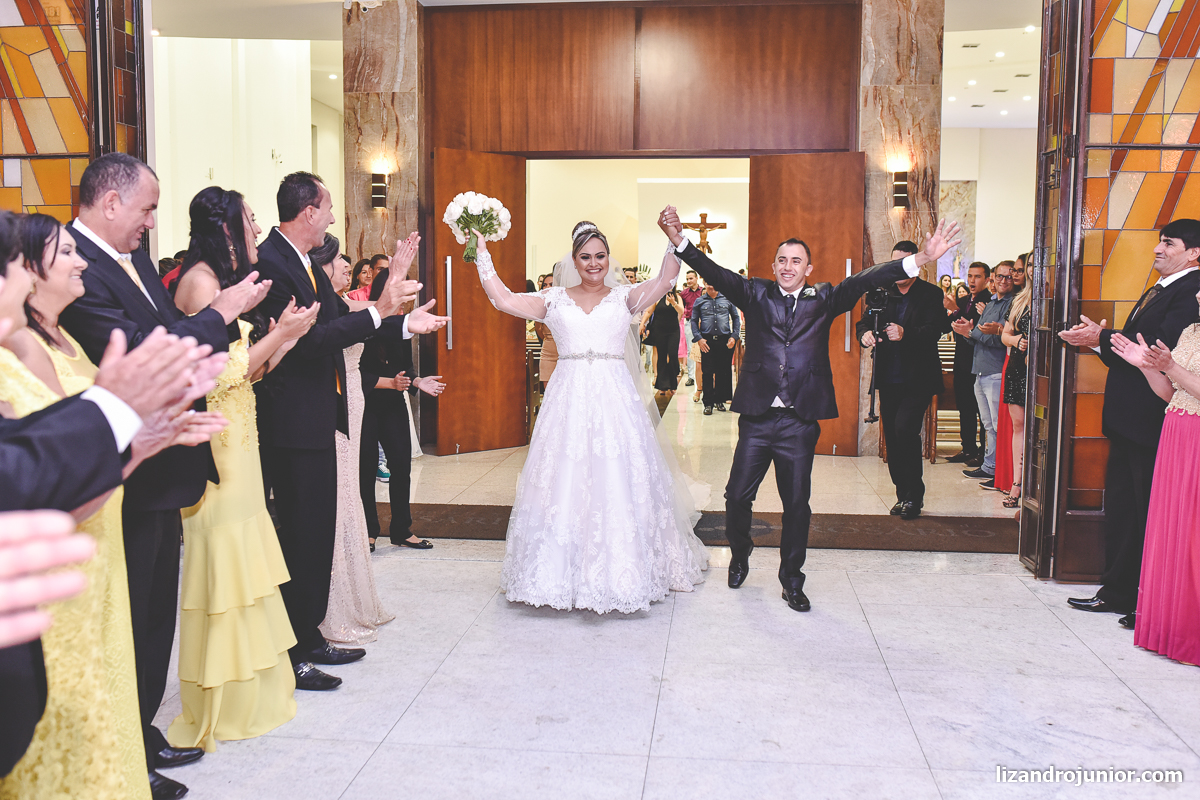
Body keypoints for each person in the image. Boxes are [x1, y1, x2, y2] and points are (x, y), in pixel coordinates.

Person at [57, 154, 270, 798]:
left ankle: (142, 731)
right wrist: (222, 312)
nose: (153, 222)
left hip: (165, 459)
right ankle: (125, 755)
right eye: (147, 208)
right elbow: (145, 350)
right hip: (127, 468)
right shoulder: (78, 269)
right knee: (129, 617)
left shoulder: (136, 259)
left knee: (153, 616)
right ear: (111, 202)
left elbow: (171, 330)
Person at [0, 215, 228, 800]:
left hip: (89, 534)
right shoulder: (15, 353)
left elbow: (66, 469)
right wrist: (115, 408)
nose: (79, 261)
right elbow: (29, 476)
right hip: (40, 570)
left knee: (110, 682)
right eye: (59, 254)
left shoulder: (58, 340)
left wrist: (140, 442)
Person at [661, 206, 960, 611]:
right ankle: (740, 554)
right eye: (782, 260)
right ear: (773, 266)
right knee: (736, 497)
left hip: (799, 421)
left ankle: (791, 579)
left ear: (808, 268)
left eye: (796, 261)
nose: (788, 267)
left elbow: (866, 278)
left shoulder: (824, 298)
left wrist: (921, 258)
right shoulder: (755, 293)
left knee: (797, 504)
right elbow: (714, 271)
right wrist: (679, 241)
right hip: (757, 418)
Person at [252, 171, 448, 690]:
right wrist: (382, 310)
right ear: (308, 212)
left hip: (320, 418)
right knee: (301, 537)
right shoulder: (272, 263)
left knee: (317, 535)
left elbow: (344, 317)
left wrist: (400, 321)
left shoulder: (302, 261)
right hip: (292, 423)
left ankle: (311, 634)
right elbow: (311, 342)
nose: (335, 217)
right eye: (329, 208)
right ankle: (293, 651)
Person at [472, 221, 707, 613]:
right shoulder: (553, 299)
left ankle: (626, 569)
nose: (594, 263)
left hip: (615, 400)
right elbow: (503, 299)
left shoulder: (625, 298)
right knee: (565, 476)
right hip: (568, 398)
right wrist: (482, 254)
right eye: (585, 257)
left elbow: (666, 279)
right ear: (574, 260)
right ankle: (558, 572)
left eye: (600, 256)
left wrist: (673, 239)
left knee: (617, 476)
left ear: (609, 258)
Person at [170, 187, 320, 752]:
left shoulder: (226, 283)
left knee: (249, 557)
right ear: (225, 227)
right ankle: (223, 700)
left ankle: (254, 688)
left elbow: (249, 373)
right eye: (250, 220)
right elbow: (211, 376)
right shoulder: (199, 284)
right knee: (224, 561)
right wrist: (279, 335)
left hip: (243, 437)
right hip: (218, 442)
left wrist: (284, 338)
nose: (257, 229)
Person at [1060, 218, 1200, 621]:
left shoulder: (1190, 292)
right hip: (1129, 420)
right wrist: (1099, 342)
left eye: (1168, 243)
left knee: (1144, 513)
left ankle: (1143, 600)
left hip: (1151, 420)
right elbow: (1133, 352)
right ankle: (1119, 592)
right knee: (1124, 511)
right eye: (1159, 241)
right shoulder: (1163, 287)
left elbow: (1158, 351)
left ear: (1194, 253)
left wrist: (1102, 339)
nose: (1158, 249)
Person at [302, 234, 397, 642]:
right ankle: (333, 601)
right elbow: (367, 315)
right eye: (338, 259)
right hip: (337, 401)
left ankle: (355, 594)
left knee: (349, 489)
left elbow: (373, 313)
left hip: (352, 399)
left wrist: (405, 315)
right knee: (341, 491)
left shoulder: (338, 302)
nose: (346, 264)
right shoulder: (321, 305)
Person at [1109, 303, 1200, 662]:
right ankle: (1170, 628)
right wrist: (1145, 365)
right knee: (1171, 529)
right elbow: (1172, 393)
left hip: (1196, 438)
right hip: (1176, 431)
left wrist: (1171, 366)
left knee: (1192, 533)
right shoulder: (1192, 332)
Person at [856, 241, 949, 519]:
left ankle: (914, 496)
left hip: (919, 376)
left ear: (916, 265)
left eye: (905, 264)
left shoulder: (930, 293)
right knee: (893, 438)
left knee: (905, 429)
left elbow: (936, 330)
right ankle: (902, 495)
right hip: (889, 376)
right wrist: (864, 335)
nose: (900, 270)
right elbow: (864, 322)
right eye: (895, 264)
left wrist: (905, 333)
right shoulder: (881, 292)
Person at [360, 265, 445, 551]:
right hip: (365, 404)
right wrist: (390, 383)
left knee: (401, 466)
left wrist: (417, 381)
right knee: (365, 469)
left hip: (393, 404)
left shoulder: (402, 324)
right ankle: (368, 531)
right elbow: (354, 373)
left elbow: (405, 367)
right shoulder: (363, 322)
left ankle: (401, 529)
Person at [952, 261, 1014, 487]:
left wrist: (972, 332)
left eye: (1008, 276)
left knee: (998, 425)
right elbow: (980, 335)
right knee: (988, 425)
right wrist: (967, 332)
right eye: (1000, 276)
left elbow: (1000, 339)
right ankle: (990, 466)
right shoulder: (991, 303)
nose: (1003, 281)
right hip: (979, 369)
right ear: (993, 279)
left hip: (995, 369)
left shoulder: (1011, 304)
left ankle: (1001, 471)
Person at [945, 262, 990, 466]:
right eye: (970, 276)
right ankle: (968, 447)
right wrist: (952, 311)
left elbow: (973, 327)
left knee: (981, 411)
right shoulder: (963, 301)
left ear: (987, 280)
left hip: (979, 361)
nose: (972, 280)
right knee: (964, 407)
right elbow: (951, 326)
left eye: (977, 277)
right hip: (962, 360)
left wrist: (955, 311)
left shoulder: (988, 302)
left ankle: (983, 452)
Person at [999, 259, 1032, 508]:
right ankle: (1016, 483)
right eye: (1028, 264)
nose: (1031, 269)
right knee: (1018, 426)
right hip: (1018, 367)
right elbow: (1005, 335)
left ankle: (1036, 485)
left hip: (1042, 369)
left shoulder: (1056, 298)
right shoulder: (1019, 299)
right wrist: (1016, 340)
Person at [690, 281, 740, 415]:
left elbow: (736, 318)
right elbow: (693, 321)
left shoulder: (727, 299)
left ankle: (719, 400)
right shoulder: (700, 301)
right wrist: (699, 338)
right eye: (708, 282)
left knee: (722, 372)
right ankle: (708, 403)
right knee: (707, 372)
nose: (711, 285)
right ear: (704, 283)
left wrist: (734, 336)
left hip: (724, 340)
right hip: (707, 341)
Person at [640, 285, 685, 416]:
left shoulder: (677, 297)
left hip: (673, 331)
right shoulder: (657, 297)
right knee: (661, 356)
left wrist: (674, 303)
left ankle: (672, 383)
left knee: (673, 354)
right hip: (659, 330)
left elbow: (681, 311)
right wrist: (643, 323)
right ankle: (662, 385)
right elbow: (649, 312)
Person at [534, 273, 558, 389]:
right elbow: (539, 328)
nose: (547, 287)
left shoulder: (567, 303)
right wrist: (548, 339)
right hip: (548, 353)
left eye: (551, 284)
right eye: (545, 285)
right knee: (549, 391)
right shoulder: (540, 305)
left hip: (565, 353)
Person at [680, 270, 703, 388]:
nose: (688, 281)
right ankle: (691, 377)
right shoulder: (683, 294)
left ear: (696, 278)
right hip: (689, 323)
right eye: (687, 279)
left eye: (691, 278)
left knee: (702, 349)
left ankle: (702, 375)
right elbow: (680, 308)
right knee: (690, 350)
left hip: (702, 323)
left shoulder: (703, 291)